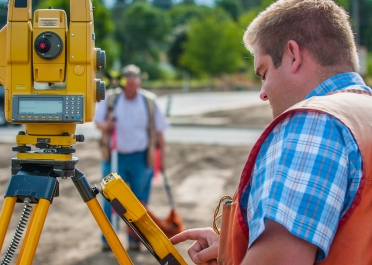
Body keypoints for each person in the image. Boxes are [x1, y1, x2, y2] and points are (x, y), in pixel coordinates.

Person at [170, 0, 372, 264]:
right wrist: (236, 248)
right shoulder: (362, 115)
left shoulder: (313, 124)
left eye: (264, 72)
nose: (263, 93)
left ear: (293, 55)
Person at [94, 64, 168, 251]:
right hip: (113, 157)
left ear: (139, 83)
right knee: (110, 199)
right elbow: (98, 123)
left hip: (141, 158)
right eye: (127, 85)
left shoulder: (149, 101)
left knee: (139, 201)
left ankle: (135, 239)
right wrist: (107, 125)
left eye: (133, 85)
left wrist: (163, 159)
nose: (129, 89)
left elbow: (160, 133)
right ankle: (108, 240)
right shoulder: (111, 99)